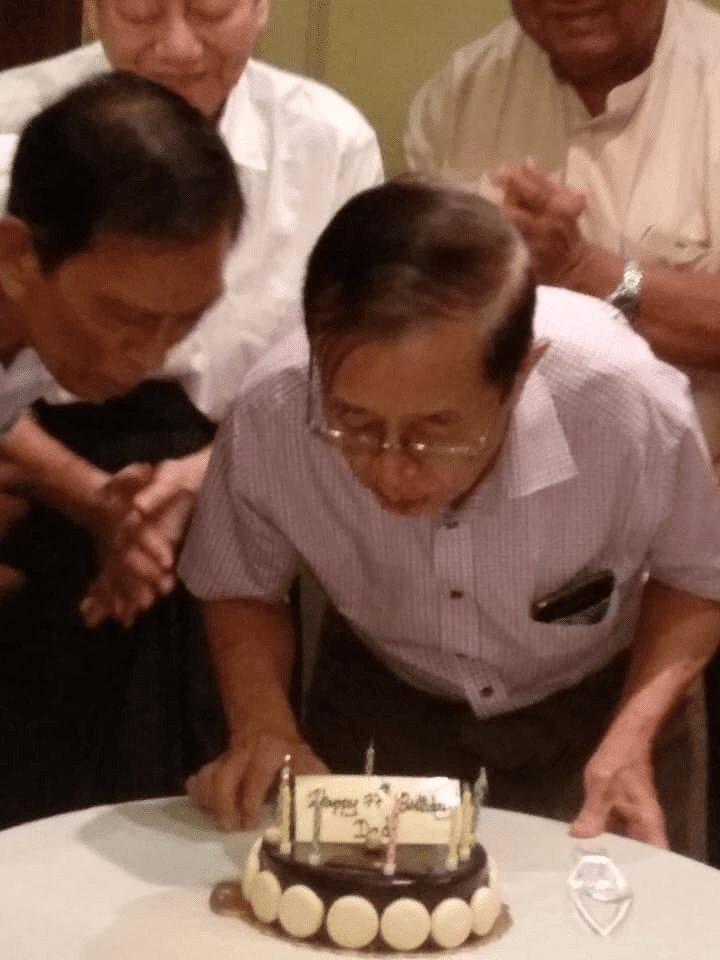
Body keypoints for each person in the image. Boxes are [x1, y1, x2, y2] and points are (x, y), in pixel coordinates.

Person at [179, 180, 720, 861]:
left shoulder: (624, 403)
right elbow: (241, 581)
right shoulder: (274, 407)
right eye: (355, 425)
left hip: (605, 699)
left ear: (519, 374)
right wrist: (263, 726)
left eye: (434, 431)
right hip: (384, 694)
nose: (391, 469)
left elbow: (694, 574)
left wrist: (634, 734)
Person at [0, 0, 382, 826]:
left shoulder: (326, 138)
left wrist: (125, 500)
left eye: (186, 322)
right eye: (129, 319)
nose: (151, 358)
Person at [403, 0, 720, 866]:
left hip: (688, 577)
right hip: (477, 578)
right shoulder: (459, 94)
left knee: (643, 888)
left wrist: (586, 271)